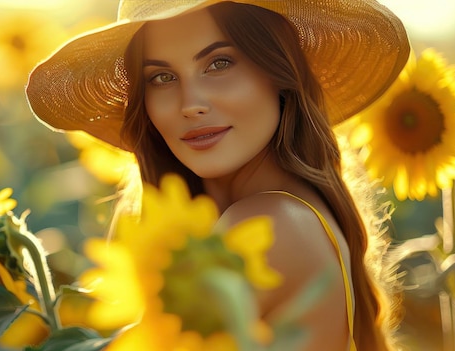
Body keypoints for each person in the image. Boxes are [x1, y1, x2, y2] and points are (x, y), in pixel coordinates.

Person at [26, 1, 410, 350]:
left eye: (219, 64)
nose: (190, 104)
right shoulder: (290, 213)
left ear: (280, 72)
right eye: (162, 77)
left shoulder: (268, 225)